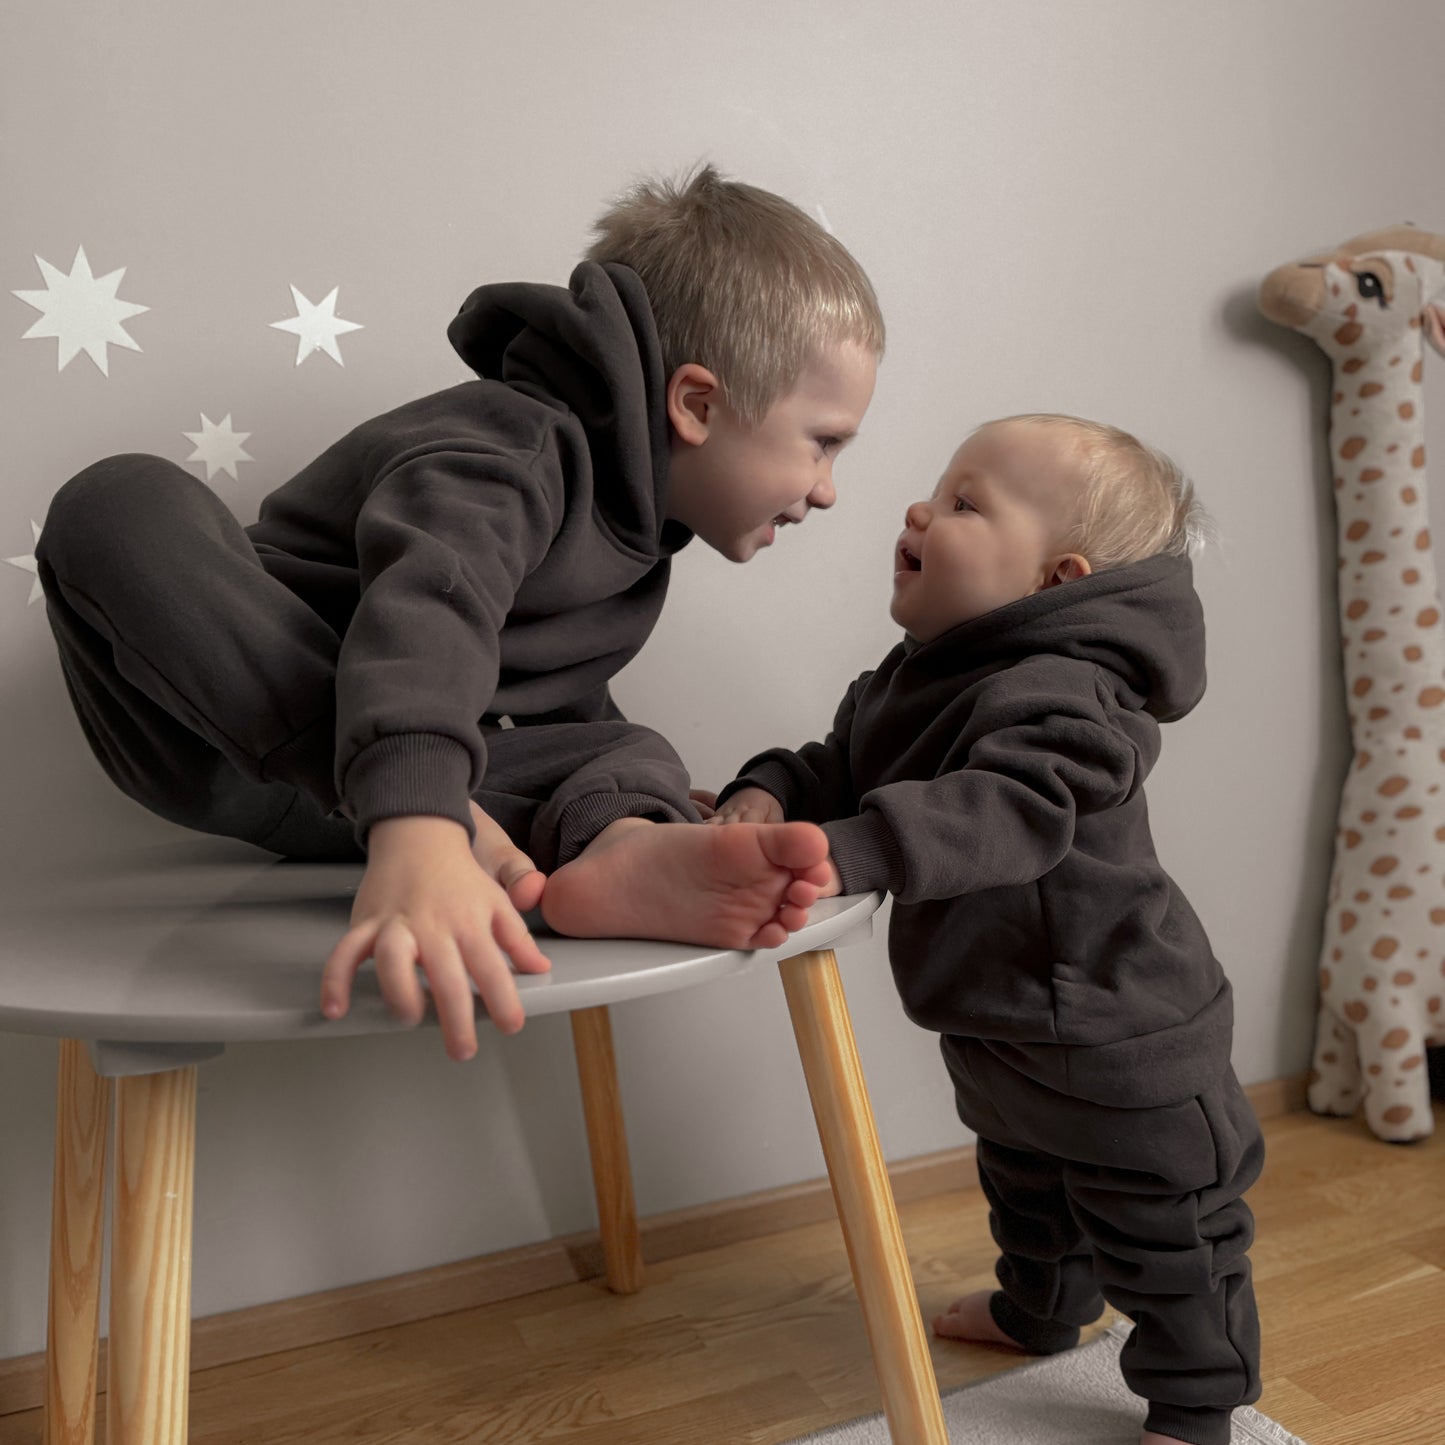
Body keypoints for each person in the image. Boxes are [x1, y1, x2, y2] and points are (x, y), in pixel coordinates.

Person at [34, 165, 879, 1062]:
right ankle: (434, 814)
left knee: (625, 748)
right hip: (221, 725)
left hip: (431, 777)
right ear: (697, 404)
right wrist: (422, 818)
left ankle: (622, 844)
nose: (827, 491)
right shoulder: (509, 452)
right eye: (823, 443)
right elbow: (426, 617)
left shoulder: (640, 534)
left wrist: (648, 798)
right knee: (117, 501)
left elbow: (540, 692)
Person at [709, 414, 1261, 1445]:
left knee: (1166, 1233)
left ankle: (1196, 1401)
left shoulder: (1068, 698)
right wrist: (766, 790)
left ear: (1055, 578)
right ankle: (1037, 1310)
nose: (920, 508)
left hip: (1118, 1027)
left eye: (965, 504)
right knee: (1025, 1184)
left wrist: (849, 849)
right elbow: (840, 760)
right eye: (936, 488)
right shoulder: (911, 675)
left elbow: (1006, 811)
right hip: (1003, 1013)